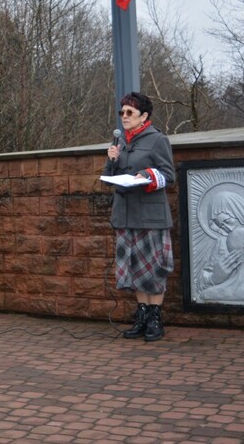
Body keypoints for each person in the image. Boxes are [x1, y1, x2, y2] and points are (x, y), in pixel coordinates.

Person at [104, 91, 175, 342]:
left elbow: (169, 175)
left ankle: (155, 317)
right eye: (122, 112)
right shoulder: (120, 141)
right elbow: (109, 177)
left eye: (129, 112)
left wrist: (146, 175)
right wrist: (111, 161)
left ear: (143, 116)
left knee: (153, 269)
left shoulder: (157, 140)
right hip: (125, 215)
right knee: (135, 269)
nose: (124, 116)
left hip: (150, 216)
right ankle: (142, 316)